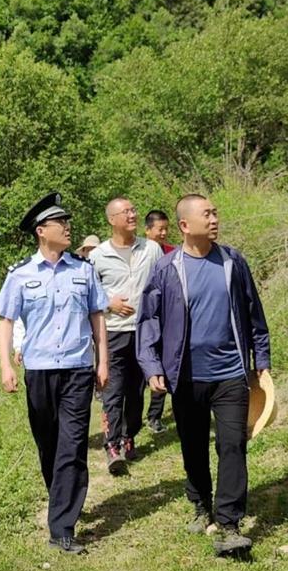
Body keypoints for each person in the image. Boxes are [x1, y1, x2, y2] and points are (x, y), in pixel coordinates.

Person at [136, 194, 271, 555]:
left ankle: (229, 524)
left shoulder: (232, 262)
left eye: (215, 213)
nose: (214, 219)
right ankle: (200, 504)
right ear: (184, 225)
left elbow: (253, 312)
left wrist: (261, 358)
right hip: (185, 376)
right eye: (206, 214)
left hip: (230, 373)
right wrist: (152, 366)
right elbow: (148, 321)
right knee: (193, 445)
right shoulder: (167, 269)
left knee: (232, 444)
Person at [0, 193, 109, 555]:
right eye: (61, 223)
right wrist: (6, 365)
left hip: (77, 369)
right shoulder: (21, 274)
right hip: (40, 371)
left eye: (67, 222)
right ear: (42, 231)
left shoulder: (83, 270)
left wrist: (103, 361)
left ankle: (62, 528)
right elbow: (6, 321)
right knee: (49, 445)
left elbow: (97, 317)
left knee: (72, 445)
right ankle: (62, 495)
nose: (68, 227)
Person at [90, 198, 162, 474]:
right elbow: (89, 293)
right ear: (112, 219)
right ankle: (112, 445)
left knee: (136, 391)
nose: (132, 215)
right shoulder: (98, 256)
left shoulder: (151, 249)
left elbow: (162, 282)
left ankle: (129, 435)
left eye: (134, 210)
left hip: (144, 332)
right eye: (126, 212)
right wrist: (109, 303)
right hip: (113, 332)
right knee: (112, 389)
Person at [12, 234, 101, 364]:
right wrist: (18, 346)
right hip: (41, 359)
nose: (91, 253)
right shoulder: (25, 272)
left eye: (95, 249)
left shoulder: (89, 271)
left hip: (81, 353)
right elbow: (23, 315)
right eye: (89, 249)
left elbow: (97, 313)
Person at [143, 209, 174, 432]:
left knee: (161, 366)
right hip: (141, 318)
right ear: (147, 230)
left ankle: (154, 415)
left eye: (166, 229)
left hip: (165, 320)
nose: (163, 233)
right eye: (159, 229)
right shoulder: (139, 253)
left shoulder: (173, 253)